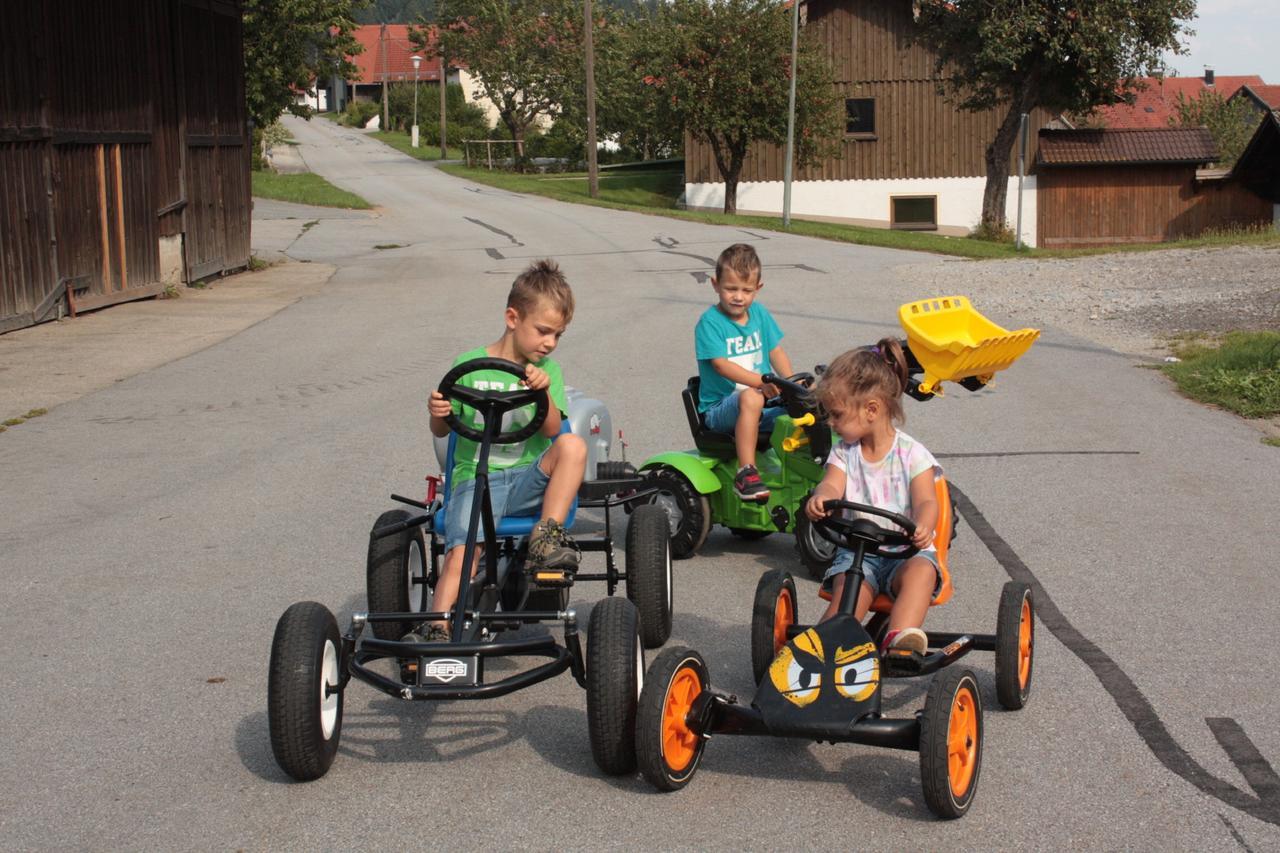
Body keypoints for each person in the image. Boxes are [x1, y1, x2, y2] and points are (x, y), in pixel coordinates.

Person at [415, 259, 587, 642]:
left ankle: (547, 537)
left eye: (557, 335)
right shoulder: (469, 367)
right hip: (476, 480)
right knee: (463, 552)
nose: (549, 343)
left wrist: (541, 390)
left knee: (573, 444)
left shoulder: (548, 373)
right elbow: (443, 428)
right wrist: (438, 412)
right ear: (513, 317)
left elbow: (554, 429)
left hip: (527, 480)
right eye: (543, 331)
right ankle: (436, 626)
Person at [803, 339, 940, 654]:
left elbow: (926, 501)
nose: (831, 423)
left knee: (922, 571)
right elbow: (832, 484)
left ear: (872, 409)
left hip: (905, 552)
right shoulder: (845, 453)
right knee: (850, 592)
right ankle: (826, 646)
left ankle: (899, 638)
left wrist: (923, 526)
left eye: (836, 415)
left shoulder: (912, 454)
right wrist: (821, 497)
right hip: (858, 553)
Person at [694, 243, 794, 502]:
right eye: (731, 289)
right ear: (715, 285)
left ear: (757, 289)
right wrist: (762, 382)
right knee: (751, 397)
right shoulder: (710, 323)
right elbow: (721, 365)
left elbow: (776, 352)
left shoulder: (759, 314)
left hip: (763, 400)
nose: (738, 296)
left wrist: (792, 385)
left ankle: (817, 471)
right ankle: (746, 472)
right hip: (719, 410)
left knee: (807, 406)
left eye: (746, 290)